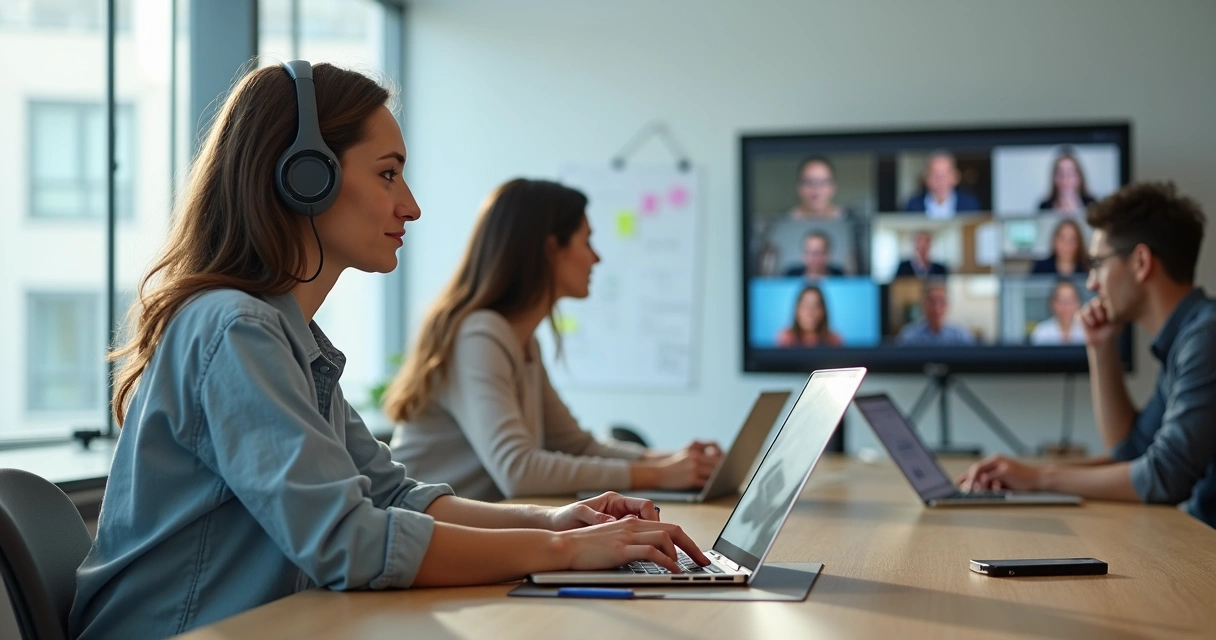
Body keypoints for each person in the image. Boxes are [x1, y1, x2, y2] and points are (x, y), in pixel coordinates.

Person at [69, 63, 707, 639]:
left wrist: (555, 523)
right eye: (388, 174)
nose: (413, 205)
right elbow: (346, 540)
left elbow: (392, 495)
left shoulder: (290, 337)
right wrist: (568, 553)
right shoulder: (235, 328)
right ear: (304, 179)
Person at [384, 178, 721, 502]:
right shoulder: (478, 336)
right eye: (587, 241)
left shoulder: (522, 341)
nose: (596, 258)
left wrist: (676, 461)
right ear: (550, 248)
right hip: (421, 541)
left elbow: (576, 445)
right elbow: (519, 471)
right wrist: (660, 475)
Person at [961, 182, 1216, 529]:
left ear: (1141, 262)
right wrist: (1101, 348)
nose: (1092, 283)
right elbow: (1130, 450)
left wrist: (1041, 479)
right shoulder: (1189, 335)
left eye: (1097, 263)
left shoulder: (1206, 337)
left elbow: (1163, 477)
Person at [903, 150, 981, 217]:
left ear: (955, 176)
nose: (940, 180)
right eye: (935, 175)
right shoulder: (913, 205)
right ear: (926, 177)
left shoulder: (969, 204)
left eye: (945, 175)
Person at [897, 281, 976, 345]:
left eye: (941, 302)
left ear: (948, 305)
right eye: (932, 301)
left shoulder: (961, 335)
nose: (936, 308)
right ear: (923, 304)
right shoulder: (909, 335)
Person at [776, 285, 844, 347]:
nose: (810, 312)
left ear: (823, 311)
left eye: (816, 306)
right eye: (805, 305)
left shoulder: (833, 340)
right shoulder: (786, 339)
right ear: (797, 310)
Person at [1029, 280, 1086, 345]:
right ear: (1052, 303)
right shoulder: (1041, 331)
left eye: (1071, 300)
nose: (1066, 306)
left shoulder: (1086, 331)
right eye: (1061, 301)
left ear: (1079, 302)